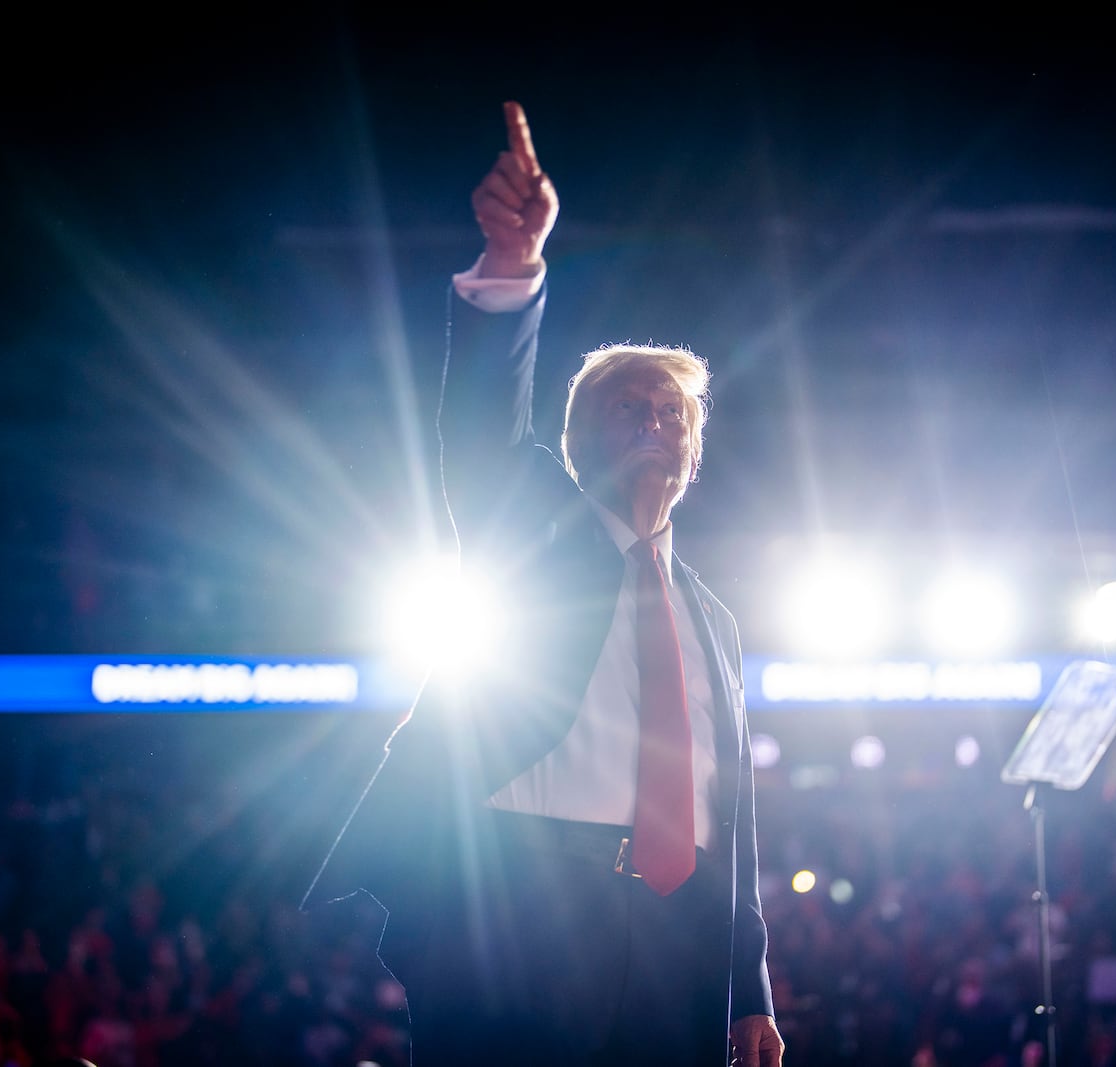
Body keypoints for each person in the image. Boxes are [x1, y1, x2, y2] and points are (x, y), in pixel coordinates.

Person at [304, 101, 783, 1067]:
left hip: (674, 946)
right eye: (624, 407)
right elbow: (481, 423)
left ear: (695, 447)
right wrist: (514, 268)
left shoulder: (717, 620)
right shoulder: (530, 527)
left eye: (670, 410)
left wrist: (748, 988)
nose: (652, 421)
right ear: (574, 443)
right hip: (520, 919)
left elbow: (729, 820)